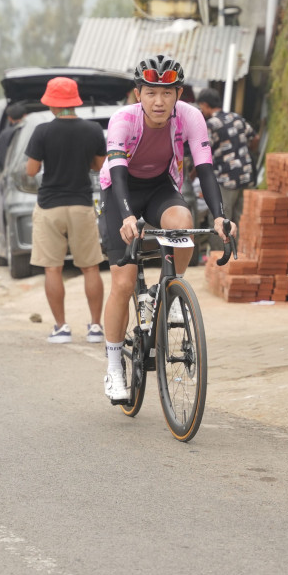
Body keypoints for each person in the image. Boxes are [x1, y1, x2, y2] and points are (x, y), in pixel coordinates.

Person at [99, 55, 232, 402]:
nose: (159, 102)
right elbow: (117, 172)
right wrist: (127, 217)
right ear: (138, 94)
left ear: (179, 94)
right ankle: (114, 367)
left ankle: (168, 291)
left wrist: (219, 216)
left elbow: (205, 168)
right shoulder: (123, 120)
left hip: (160, 186)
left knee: (183, 224)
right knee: (123, 282)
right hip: (120, 191)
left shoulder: (190, 116)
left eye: (167, 93)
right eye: (151, 93)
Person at [24, 77, 108, 343]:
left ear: (52, 104)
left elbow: (31, 170)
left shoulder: (42, 131)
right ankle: (95, 327)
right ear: (74, 102)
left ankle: (61, 327)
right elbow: (99, 166)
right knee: (91, 267)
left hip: (49, 206)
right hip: (81, 204)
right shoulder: (93, 130)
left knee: (53, 269)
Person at [194, 88, 255, 225]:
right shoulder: (236, 117)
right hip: (245, 175)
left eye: (201, 107)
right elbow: (255, 137)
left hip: (226, 179)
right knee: (239, 220)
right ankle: (237, 241)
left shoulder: (211, 125)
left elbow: (203, 154)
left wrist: (193, 174)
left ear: (205, 104)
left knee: (222, 221)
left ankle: (220, 241)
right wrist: (246, 152)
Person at [0, 102, 29, 172]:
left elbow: (1, 159)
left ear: (9, 118)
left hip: (11, 173)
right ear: (25, 115)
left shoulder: (5, 134)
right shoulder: (32, 130)